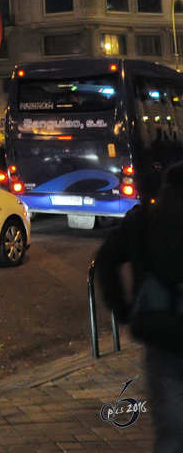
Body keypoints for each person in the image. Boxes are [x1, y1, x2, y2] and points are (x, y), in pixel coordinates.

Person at [95, 161, 183, 453]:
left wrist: (123, 310)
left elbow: (106, 260)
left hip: (161, 337)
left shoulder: (144, 220)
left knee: (171, 434)